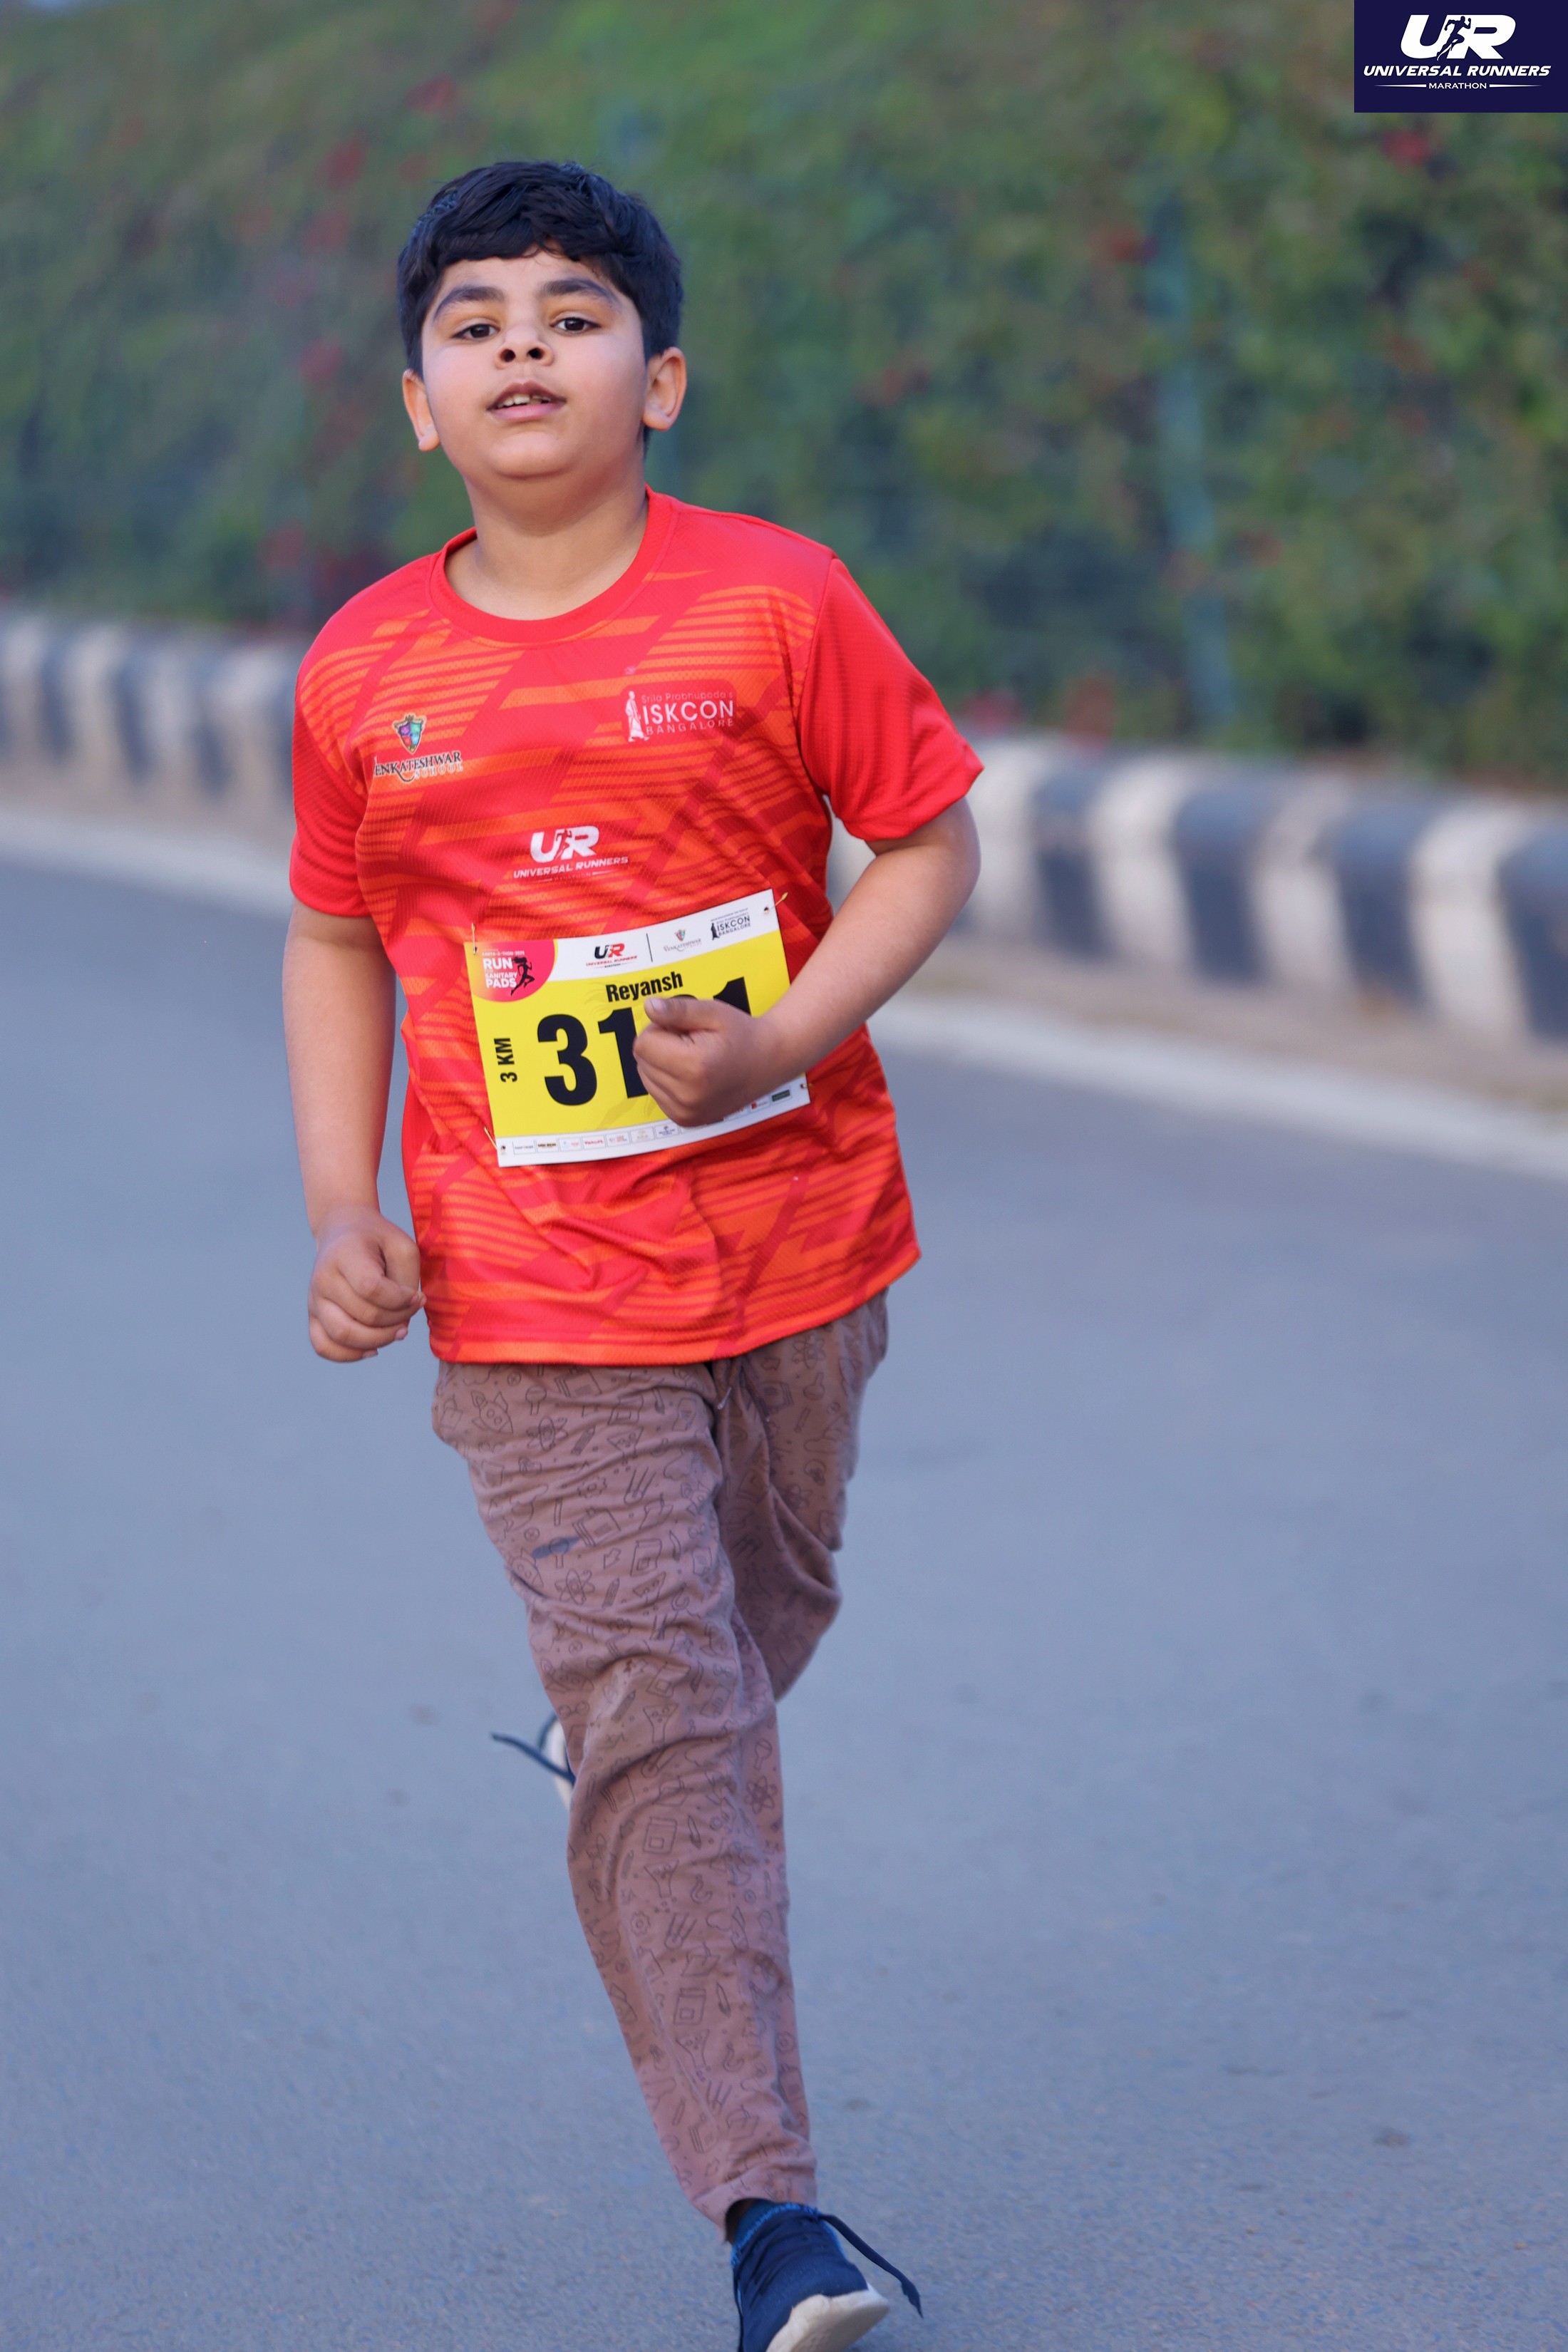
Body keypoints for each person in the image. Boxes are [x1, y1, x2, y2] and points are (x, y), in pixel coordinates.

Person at [282, 158, 980, 2352]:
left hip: (800, 1241)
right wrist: (344, 1209)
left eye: (571, 311)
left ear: (657, 379)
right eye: (472, 319)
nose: (522, 343)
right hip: (528, 1288)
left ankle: (621, 1720)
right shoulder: (365, 667)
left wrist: (775, 1038)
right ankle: (774, 2213)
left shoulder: (776, 603)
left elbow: (926, 843)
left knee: (770, 1608)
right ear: (420, 402)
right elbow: (333, 934)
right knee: (672, 1705)